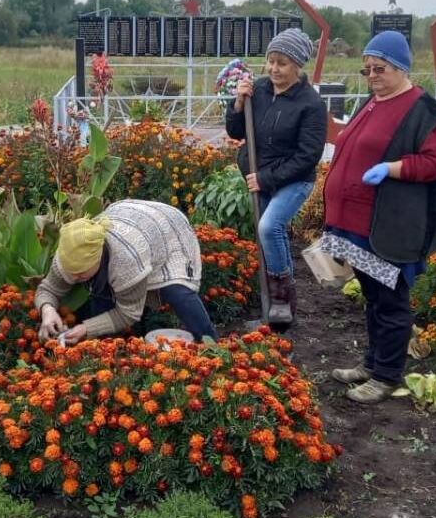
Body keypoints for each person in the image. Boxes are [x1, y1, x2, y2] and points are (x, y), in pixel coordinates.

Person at [323, 31, 436, 403]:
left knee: (391, 301)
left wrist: (393, 168)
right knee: (373, 297)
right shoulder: (374, 101)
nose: (372, 76)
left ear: (400, 67)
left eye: (379, 69)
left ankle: (387, 375)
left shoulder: (421, 109)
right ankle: (372, 362)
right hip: (358, 225)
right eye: (366, 70)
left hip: (387, 228)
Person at [225, 28, 327, 324]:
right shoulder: (258, 90)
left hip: (293, 180)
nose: (273, 69)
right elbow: (236, 131)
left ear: (298, 65)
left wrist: (266, 179)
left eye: (282, 63)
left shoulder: (310, 105)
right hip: (260, 174)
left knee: (270, 227)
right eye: (271, 61)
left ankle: (283, 300)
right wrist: (238, 104)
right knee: (264, 234)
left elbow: (308, 155)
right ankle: (270, 307)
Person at [35, 200, 217, 343]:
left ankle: (211, 345)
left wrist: (86, 328)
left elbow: (128, 313)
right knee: (101, 296)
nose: (74, 278)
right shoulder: (69, 252)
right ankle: (110, 356)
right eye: (71, 271)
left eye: (81, 272)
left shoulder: (127, 260)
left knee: (177, 292)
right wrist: (47, 310)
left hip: (165, 226)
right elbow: (48, 289)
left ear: (98, 258)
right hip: (125, 215)